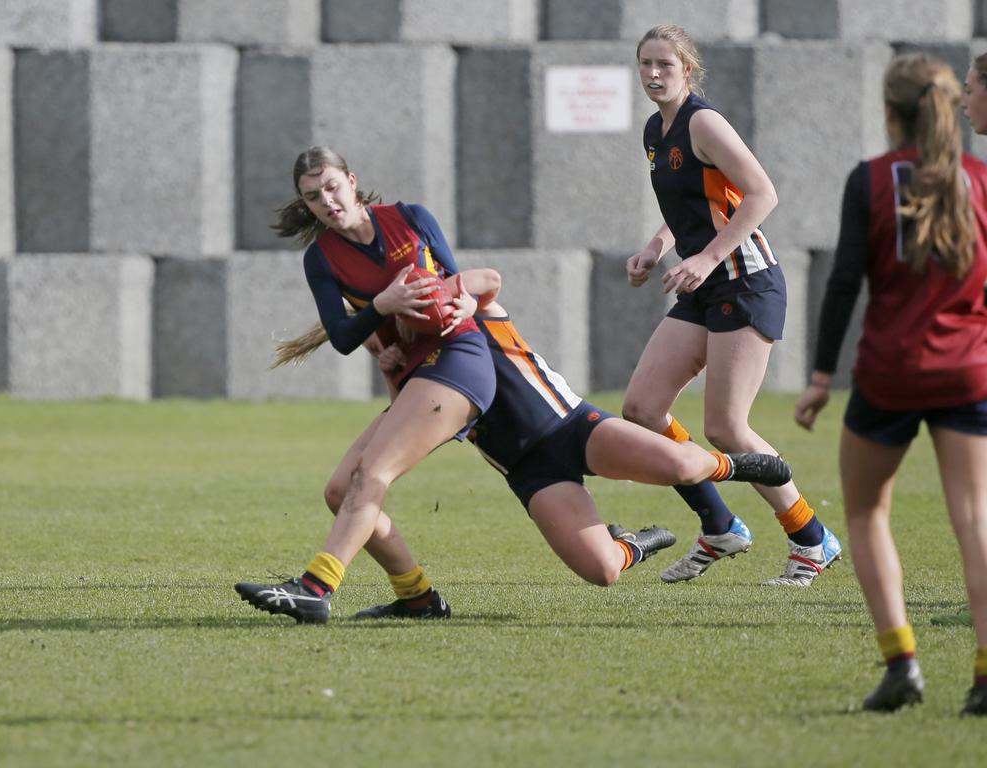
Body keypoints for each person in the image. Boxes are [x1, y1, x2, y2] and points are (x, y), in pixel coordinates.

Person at [266, 269, 794, 619]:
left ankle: (741, 463)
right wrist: (389, 367)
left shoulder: (460, 308)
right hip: (529, 470)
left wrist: (467, 294)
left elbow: (488, 280)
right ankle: (642, 540)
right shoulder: (401, 354)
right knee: (603, 571)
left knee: (682, 464)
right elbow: (411, 415)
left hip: (573, 427)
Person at [794, 52, 987, 716]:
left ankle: (902, 664)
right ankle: (986, 678)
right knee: (974, 519)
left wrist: (820, 376)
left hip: (888, 374)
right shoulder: (980, 179)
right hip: (969, 369)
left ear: (889, 112)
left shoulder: (871, 180)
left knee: (868, 512)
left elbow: (845, 282)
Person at [233, 146, 498, 624]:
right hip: (419, 375)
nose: (327, 201)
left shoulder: (412, 217)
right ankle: (418, 598)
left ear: (351, 181)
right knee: (340, 491)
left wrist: (463, 302)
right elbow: (340, 338)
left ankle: (315, 587)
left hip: (460, 358)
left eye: (332, 187)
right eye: (313, 197)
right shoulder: (322, 259)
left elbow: (457, 281)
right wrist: (382, 307)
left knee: (371, 474)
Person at [622, 24, 841, 586]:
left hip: (746, 283)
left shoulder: (703, 121)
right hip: (705, 284)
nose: (653, 74)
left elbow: (763, 193)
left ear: (686, 70)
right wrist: (656, 247)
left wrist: (707, 259)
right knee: (642, 410)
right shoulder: (656, 129)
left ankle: (812, 539)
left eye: (664, 65)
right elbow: (693, 204)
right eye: (645, 63)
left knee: (725, 428)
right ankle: (720, 526)